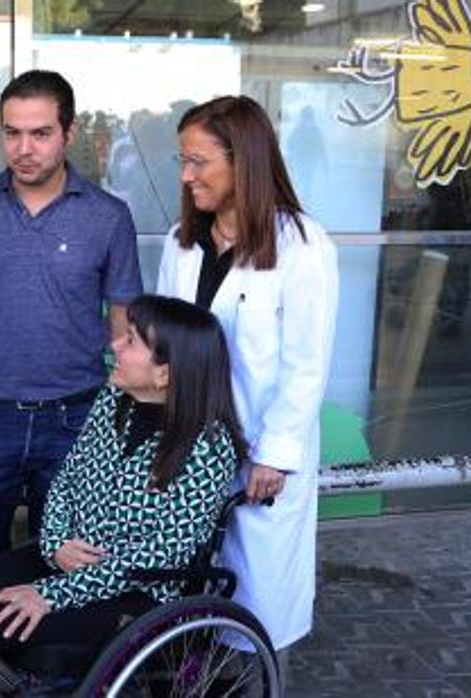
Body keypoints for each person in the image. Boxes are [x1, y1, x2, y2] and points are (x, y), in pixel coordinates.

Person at [0, 295, 247, 697]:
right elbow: (67, 479)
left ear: (165, 374)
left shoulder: (207, 447)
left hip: (134, 590)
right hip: (66, 556)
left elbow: (161, 557)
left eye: (131, 341)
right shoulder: (115, 401)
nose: (114, 345)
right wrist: (54, 545)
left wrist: (51, 594)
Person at [156, 95, 339, 672]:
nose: (186, 177)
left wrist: (275, 456)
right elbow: (163, 341)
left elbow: (306, 365)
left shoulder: (303, 247)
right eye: (182, 162)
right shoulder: (180, 243)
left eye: (199, 162)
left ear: (245, 160)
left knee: (261, 597)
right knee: (185, 591)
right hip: (189, 448)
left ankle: (264, 683)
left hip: (259, 453)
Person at [0, 69, 144, 563]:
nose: (24, 148)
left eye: (40, 133)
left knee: (68, 569)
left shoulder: (108, 216)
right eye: (12, 133)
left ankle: (50, 646)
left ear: (69, 134)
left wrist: (120, 418)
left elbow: (123, 325)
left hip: (78, 415)